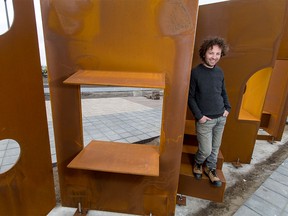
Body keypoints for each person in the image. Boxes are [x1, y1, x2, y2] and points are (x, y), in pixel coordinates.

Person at [188, 36, 231, 187]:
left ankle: (210, 169)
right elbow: (190, 97)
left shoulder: (220, 72)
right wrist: (199, 116)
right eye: (211, 53)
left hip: (221, 117)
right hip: (205, 120)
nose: (214, 57)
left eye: (217, 54)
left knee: (215, 149)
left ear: (221, 54)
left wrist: (227, 109)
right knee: (205, 150)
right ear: (204, 53)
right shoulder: (196, 73)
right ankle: (198, 163)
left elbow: (223, 92)